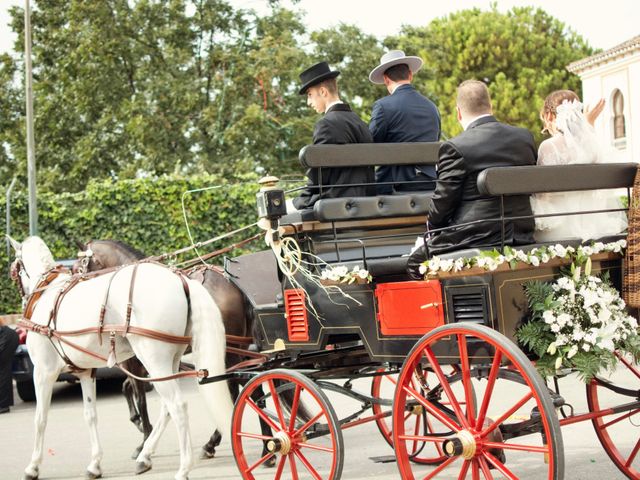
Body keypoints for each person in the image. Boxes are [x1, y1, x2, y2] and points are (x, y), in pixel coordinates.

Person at [408, 80, 536, 278]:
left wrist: (433, 228)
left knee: (416, 262)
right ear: (490, 106)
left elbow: (443, 202)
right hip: (522, 229)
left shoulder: (455, 146)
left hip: (477, 233)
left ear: (458, 112)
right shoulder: (524, 137)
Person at [531, 90, 627, 242]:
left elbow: (544, 197)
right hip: (594, 225)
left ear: (550, 116)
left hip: (559, 230)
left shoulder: (549, 146)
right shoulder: (592, 145)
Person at [291, 61, 375, 211]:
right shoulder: (360, 123)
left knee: (282, 209)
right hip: (366, 202)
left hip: (337, 204)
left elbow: (318, 177)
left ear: (323, 92)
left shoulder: (326, 124)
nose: (309, 102)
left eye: (310, 95)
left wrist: (298, 201)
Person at [368, 50, 441, 194]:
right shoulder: (432, 107)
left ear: (386, 79)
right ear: (410, 75)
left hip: (394, 186)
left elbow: (371, 143)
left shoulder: (383, 106)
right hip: (430, 184)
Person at [0, 325, 19, 413]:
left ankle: (3, 405)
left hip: (6, 336)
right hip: (6, 335)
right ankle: (3, 404)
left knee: (2, 369)